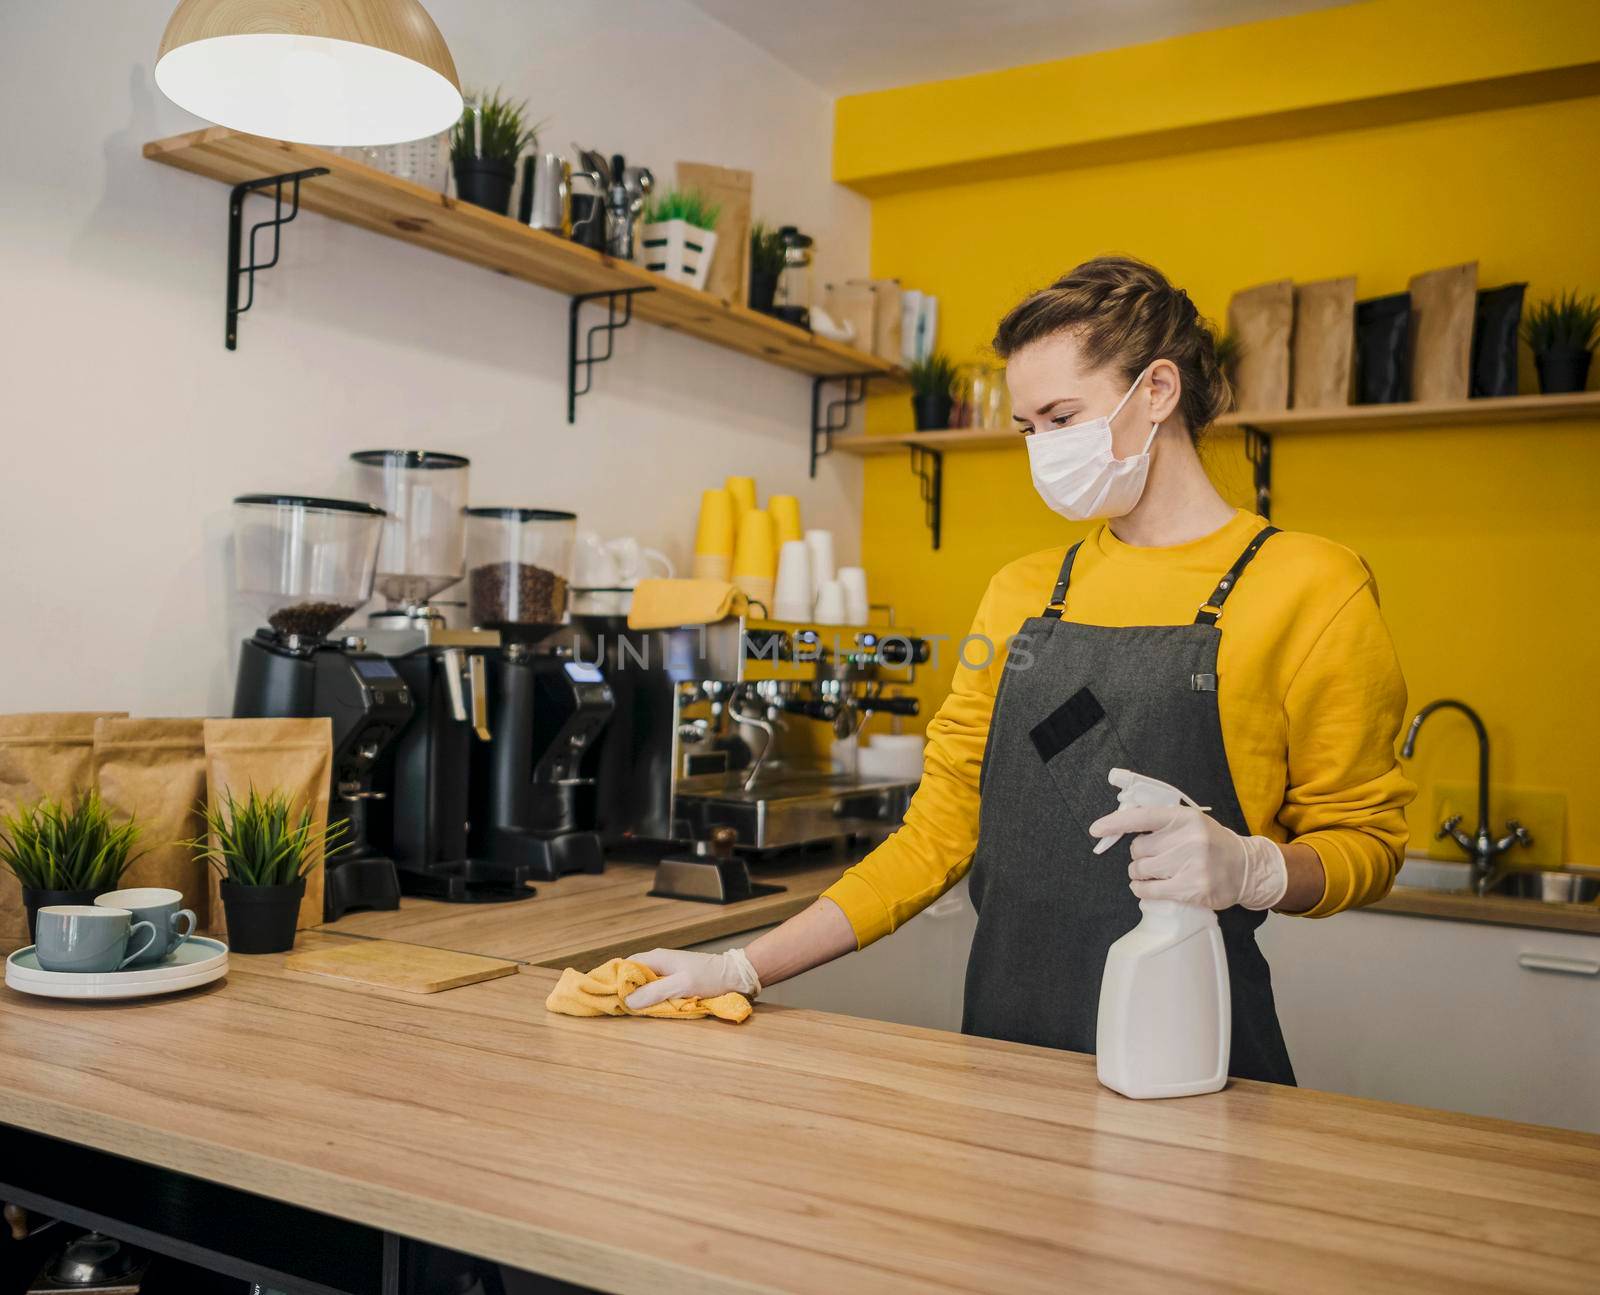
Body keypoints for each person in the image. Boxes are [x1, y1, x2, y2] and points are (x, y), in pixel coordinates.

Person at [627, 256, 1413, 1083]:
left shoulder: (1309, 585)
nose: (1042, 449)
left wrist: (1255, 867)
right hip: (1004, 1048)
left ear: (1157, 392)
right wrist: (742, 967)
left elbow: (1367, 840)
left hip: (1193, 1049)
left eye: (1062, 415)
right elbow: (935, 835)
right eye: (1027, 427)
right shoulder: (1023, 594)